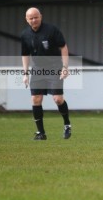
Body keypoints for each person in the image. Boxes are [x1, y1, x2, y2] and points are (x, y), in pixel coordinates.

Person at [21, 7, 72, 140]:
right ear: (26, 20)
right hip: (37, 69)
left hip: (55, 67)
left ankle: (67, 124)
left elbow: (63, 47)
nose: (34, 20)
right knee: (35, 99)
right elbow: (25, 54)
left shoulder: (52, 30)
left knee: (58, 99)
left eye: (36, 17)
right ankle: (41, 133)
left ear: (41, 17)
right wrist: (25, 73)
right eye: (31, 18)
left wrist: (65, 67)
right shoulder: (25, 34)